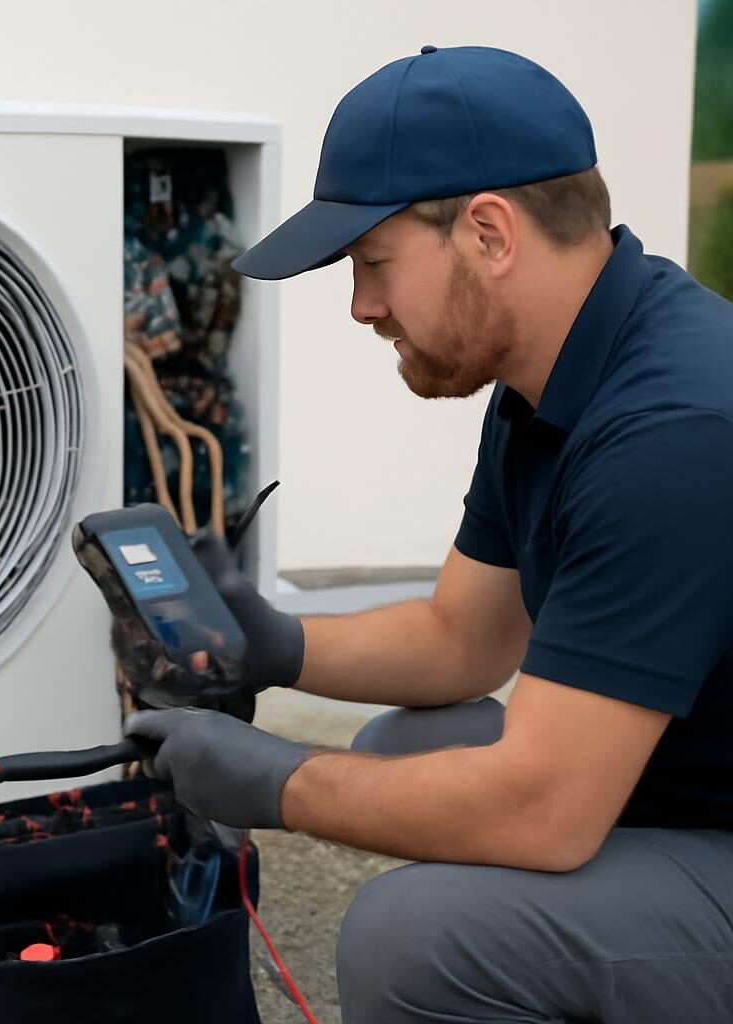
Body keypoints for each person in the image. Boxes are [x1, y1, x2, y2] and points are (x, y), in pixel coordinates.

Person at [123, 45, 733, 1023]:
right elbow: (464, 641)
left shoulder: (674, 431)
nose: (361, 307)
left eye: (373, 264)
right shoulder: (550, 379)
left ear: (489, 232)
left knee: (414, 937)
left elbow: (545, 810)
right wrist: (275, 643)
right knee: (410, 742)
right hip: (688, 793)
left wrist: (280, 780)